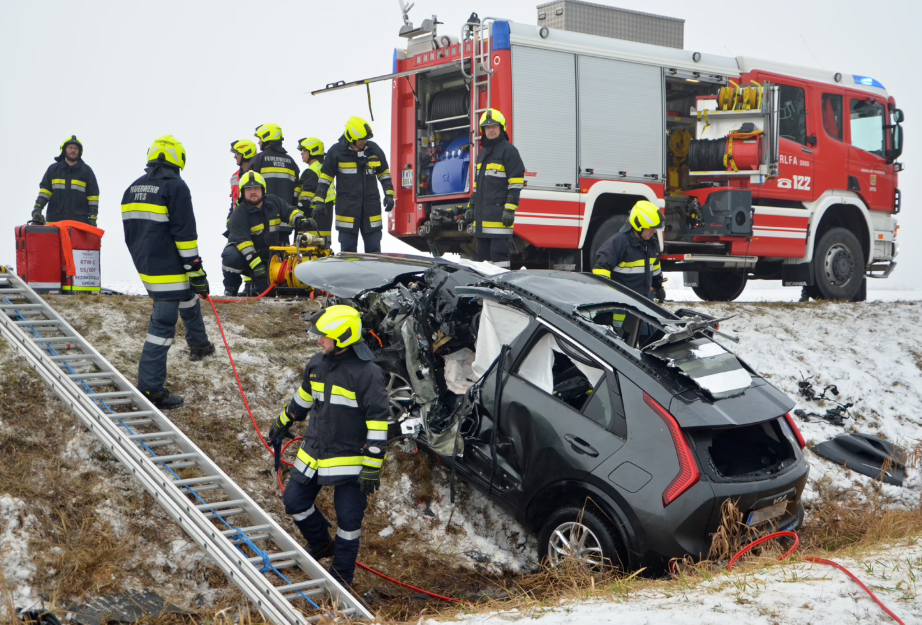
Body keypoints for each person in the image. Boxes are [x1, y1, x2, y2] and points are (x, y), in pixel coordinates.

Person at [269, 304, 388, 586]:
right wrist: (283, 421)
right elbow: (304, 399)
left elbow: (378, 423)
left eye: (324, 336)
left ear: (343, 338)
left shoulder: (368, 374)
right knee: (294, 502)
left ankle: (342, 576)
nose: (319, 340)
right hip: (314, 450)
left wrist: (372, 466)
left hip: (351, 459)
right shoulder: (317, 363)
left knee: (349, 522)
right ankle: (322, 544)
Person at [121, 135, 215, 409]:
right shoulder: (176, 187)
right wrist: (196, 270)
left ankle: (199, 345)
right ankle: (151, 390)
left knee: (187, 297)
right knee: (163, 325)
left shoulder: (133, 188)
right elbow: (185, 235)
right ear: (178, 159)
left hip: (148, 266)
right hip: (169, 266)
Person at [222, 171, 315, 295]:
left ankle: (255, 290)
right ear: (242, 192)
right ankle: (231, 289)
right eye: (248, 189)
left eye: (256, 188)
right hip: (245, 257)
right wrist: (256, 266)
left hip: (267, 257)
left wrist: (301, 221)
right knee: (231, 256)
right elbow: (244, 244)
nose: (253, 192)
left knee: (267, 294)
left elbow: (289, 212)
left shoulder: (274, 202)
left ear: (263, 189)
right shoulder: (238, 214)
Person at [311, 117, 394, 254]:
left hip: (371, 208)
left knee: (374, 250)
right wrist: (319, 201)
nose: (365, 142)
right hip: (347, 210)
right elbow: (325, 178)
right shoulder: (336, 152)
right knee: (348, 252)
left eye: (366, 139)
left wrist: (389, 194)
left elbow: (384, 174)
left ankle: (374, 275)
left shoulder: (374, 150)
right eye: (362, 139)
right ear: (351, 137)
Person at [464, 109, 525, 268]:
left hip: (499, 220)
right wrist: (471, 207)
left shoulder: (509, 151)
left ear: (501, 128)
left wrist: (510, 209)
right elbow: (477, 186)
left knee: (500, 263)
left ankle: (501, 290)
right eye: (487, 127)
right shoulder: (483, 153)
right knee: (483, 264)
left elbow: (516, 183)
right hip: (482, 222)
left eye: (494, 126)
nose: (490, 130)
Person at [592, 200, 666, 302]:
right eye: (651, 228)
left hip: (644, 306)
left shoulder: (652, 244)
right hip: (622, 305)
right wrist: (609, 297)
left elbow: (655, 268)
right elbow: (600, 270)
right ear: (639, 225)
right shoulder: (619, 242)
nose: (654, 231)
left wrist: (658, 286)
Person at [248, 124, 300, 245]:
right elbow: (297, 192)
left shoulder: (259, 159)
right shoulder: (291, 162)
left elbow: (246, 188)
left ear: (267, 138)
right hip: (286, 222)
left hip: (263, 223)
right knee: (283, 260)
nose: (259, 143)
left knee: (266, 260)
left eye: (260, 139)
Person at [32, 135, 100, 225]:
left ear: (79, 151)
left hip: (79, 224)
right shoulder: (53, 170)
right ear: (64, 150)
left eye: (76, 148)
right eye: (70, 147)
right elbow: (45, 192)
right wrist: (38, 209)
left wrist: (93, 217)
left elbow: (93, 197)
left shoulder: (87, 172)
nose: (73, 150)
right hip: (55, 222)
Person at [223, 139, 258, 291]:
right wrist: (230, 216)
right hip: (238, 219)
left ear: (246, 153)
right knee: (232, 252)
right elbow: (234, 199)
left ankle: (250, 284)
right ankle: (233, 287)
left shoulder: (257, 175)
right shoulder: (234, 177)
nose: (235, 157)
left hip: (254, 219)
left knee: (253, 249)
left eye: (237, 153)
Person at [296, 137, 336, 239]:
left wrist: (296, 213)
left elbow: (307, 198)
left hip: (313, 214)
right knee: (323, 246)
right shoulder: (325, 168)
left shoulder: (311, 171)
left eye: (304, 150)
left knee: (308, 247)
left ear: (313, 151)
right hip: (327, 212)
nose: (302, 153)